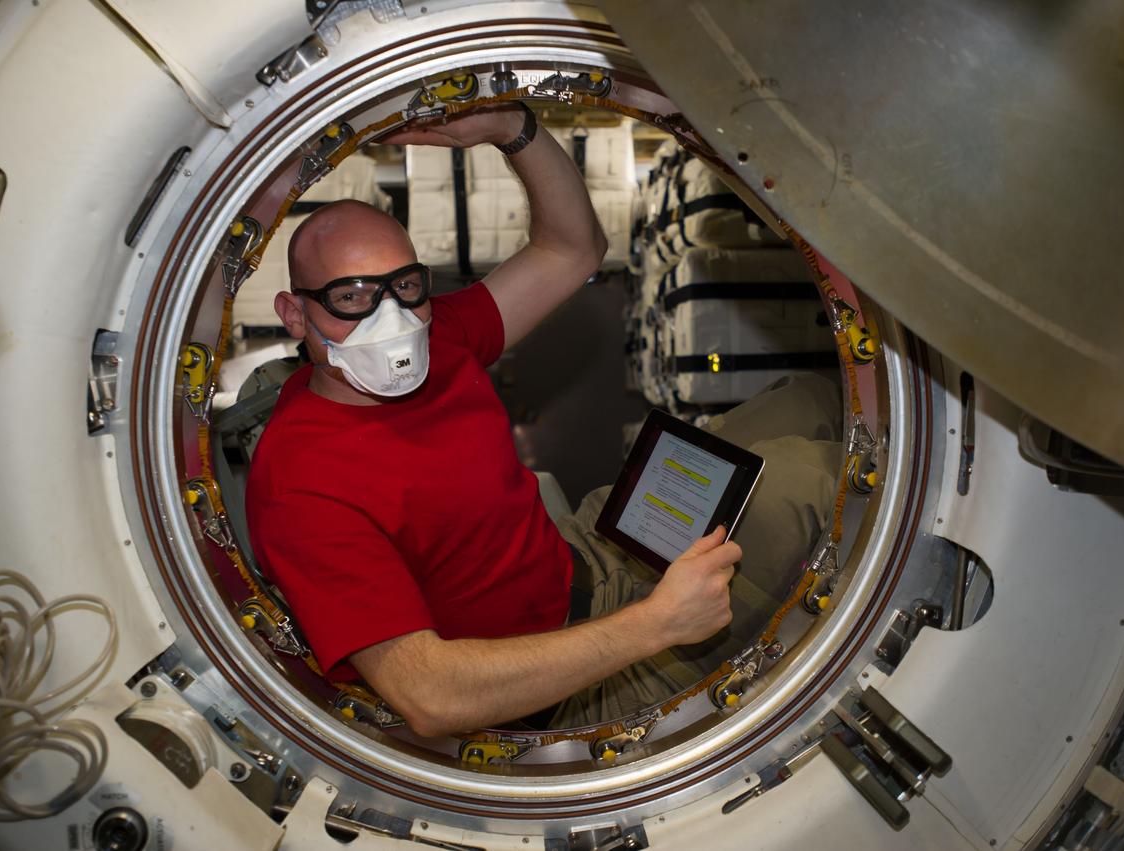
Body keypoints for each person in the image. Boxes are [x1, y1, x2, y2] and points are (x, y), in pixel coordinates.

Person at [246, 103, 763, 738]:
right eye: (350, 298)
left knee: (797, 408)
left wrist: (511, 131)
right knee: (810, 474)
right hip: (554, 690)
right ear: (296, 316)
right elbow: (430, 695)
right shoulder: (299, 482)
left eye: (404, 287)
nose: (391, 322)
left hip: (579, 559)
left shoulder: (441, 336)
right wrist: (659, 623)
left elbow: (572, 248)